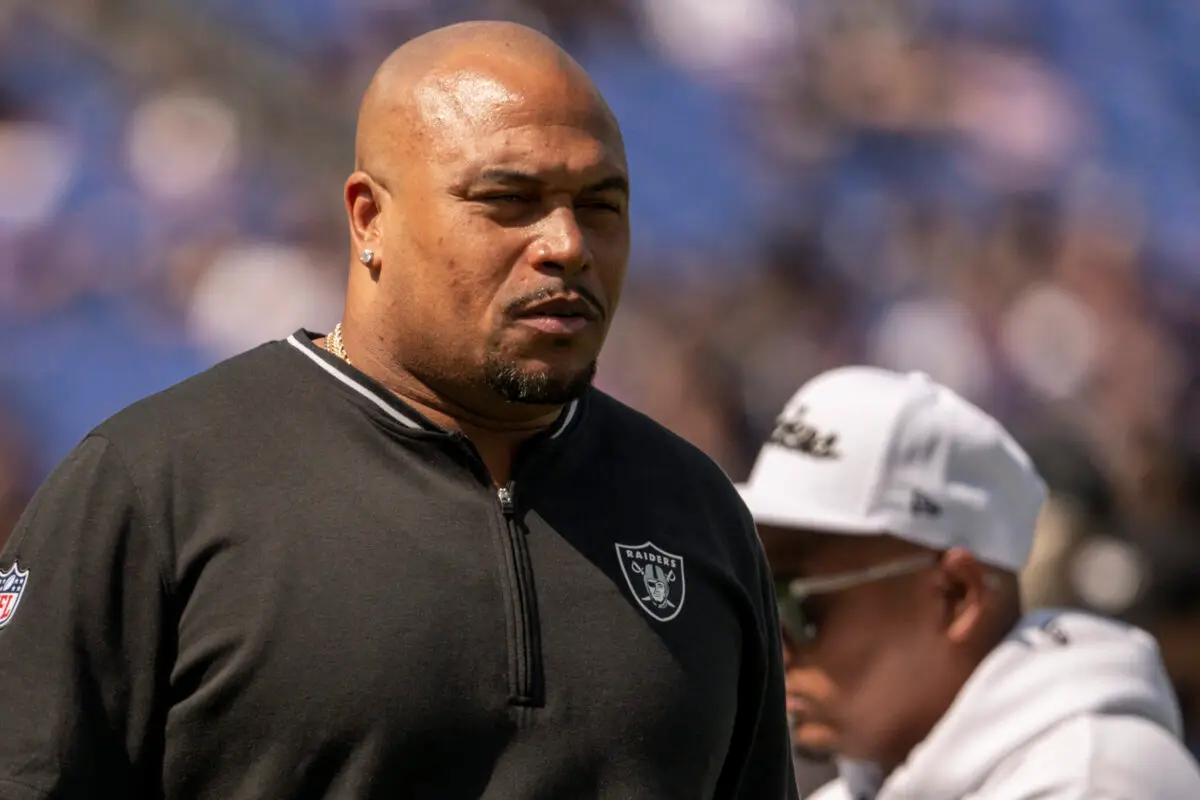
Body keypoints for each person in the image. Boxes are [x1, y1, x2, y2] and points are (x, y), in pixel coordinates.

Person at [0, 22, 795, 800]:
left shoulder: (698, 514)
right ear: (368, 219)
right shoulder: (156, 487)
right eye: (508, 199)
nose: (566, 243)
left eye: (600, 206)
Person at [735, 366, 1200, 799]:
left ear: (957, 595)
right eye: (755, 598)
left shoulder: (1097, 780)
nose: (774, 646)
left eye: (793, 604)